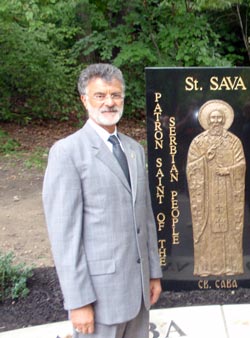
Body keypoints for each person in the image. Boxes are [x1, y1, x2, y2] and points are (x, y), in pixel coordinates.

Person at [43, 63, 162, 337]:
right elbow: (65, 237)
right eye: (100, 95)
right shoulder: (67, 153)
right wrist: (78, 302)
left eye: (116, 95)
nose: (110, 102)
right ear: (85, 100)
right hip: (99, 300)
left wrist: (153, 273)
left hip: (139, 293)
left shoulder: (134, 150)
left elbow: (145, 217)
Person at [186, 99, 246, 276]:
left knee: (228, 229)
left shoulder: (234, 142)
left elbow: (241, 164)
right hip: (207, 194)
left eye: (220, 118)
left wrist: (228, 170)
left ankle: (231, 267)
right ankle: (205, 267)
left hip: (228, 192)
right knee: (208, 231)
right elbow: (191, 167)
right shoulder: (198, 142)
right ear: (207, 121)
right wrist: (205, 158)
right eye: (213, 118)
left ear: (225, 120)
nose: (216, 122)